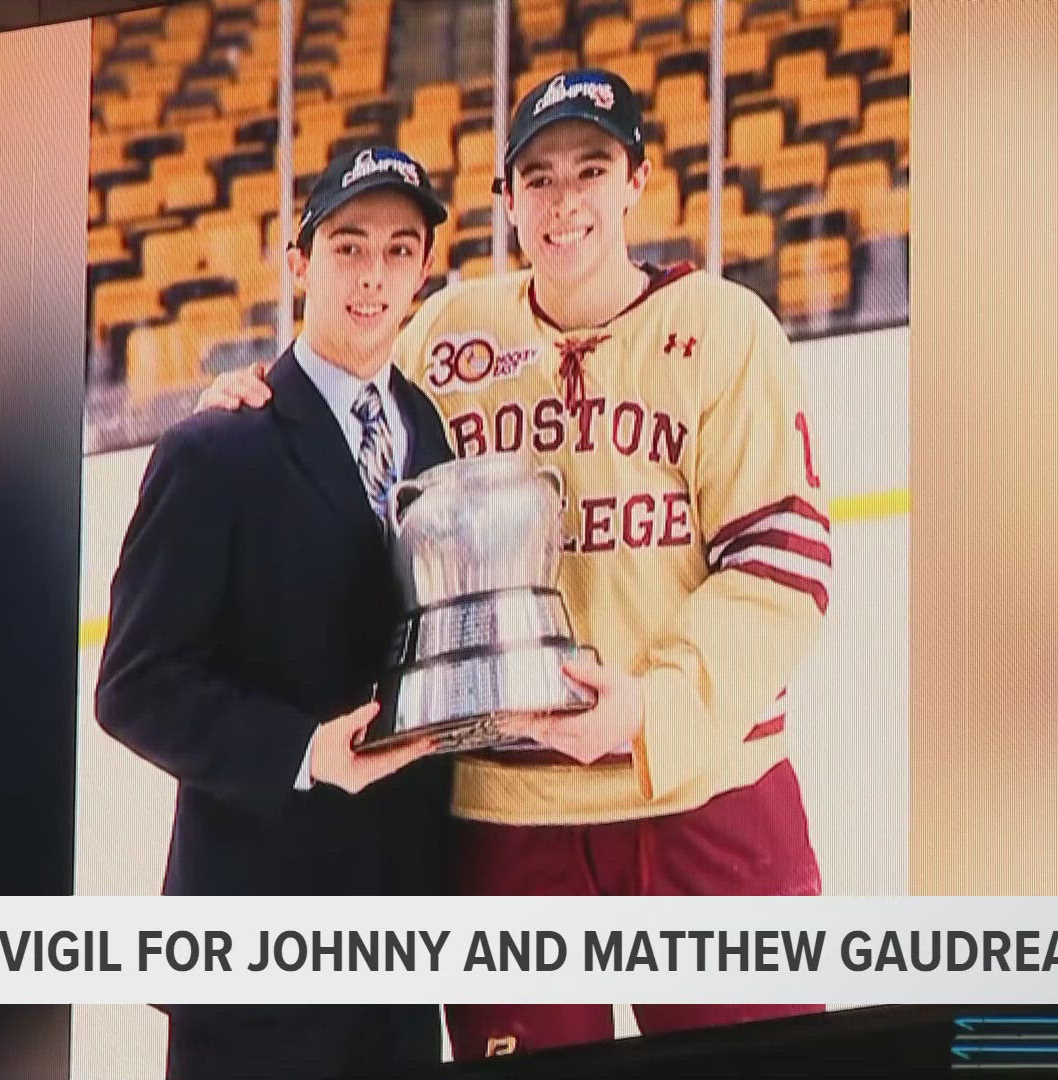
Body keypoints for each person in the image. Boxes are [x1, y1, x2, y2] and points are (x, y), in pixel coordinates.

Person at [198, 69, 832, 1058]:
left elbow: (778, 563)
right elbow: (342, 416)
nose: (565, 200)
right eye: (538, 176)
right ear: (506, 200)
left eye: (591, 169)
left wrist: (652, 709)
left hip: (708, 797)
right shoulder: (452, 335)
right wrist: (253, 406)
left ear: (636, 181)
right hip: (507, 814)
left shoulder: (724, 329)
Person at [96, 146, 456, 1079]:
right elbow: (135, 687)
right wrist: (302, 753)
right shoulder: (215, 451)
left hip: (398, 943)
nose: (372, 276)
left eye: (398, 250)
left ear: (423, 270)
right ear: (299, 263)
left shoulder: (428, 427)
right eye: (348, 247)